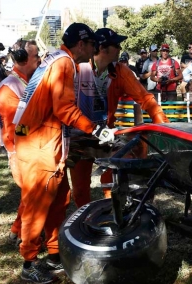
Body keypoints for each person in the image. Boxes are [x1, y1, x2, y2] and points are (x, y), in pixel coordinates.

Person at [12, 23, 117, 284]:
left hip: (43, 141)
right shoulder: (65, 64)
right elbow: (65, 110)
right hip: (39, 144)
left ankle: (54, 253)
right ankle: (29, 262)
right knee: (37, 206)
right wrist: (95, 129)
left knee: (59, 199)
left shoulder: (56, 60)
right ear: (81, 45)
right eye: (92, 44)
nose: (95, 49)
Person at [69, 27, 169, 208]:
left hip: (105, 134)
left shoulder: (121, 71)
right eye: (117, 45)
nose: (120, 49)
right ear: (103, 48)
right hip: (77, 135)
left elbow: (145, 98)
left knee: (116, 177)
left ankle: (114, 215)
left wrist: (164, 126)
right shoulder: (76, 67)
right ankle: (86, 221)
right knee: (80, 189)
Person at [0, 39, 40, 245]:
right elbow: (15, 129)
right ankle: (24, 236)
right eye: (36, 56)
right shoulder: (10, 88)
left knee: (30, 194)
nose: (40, 59)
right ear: (22, 58)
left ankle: (18, 230)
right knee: (31, 194)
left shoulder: (24, 82)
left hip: (31, 146)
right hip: (21, 150)